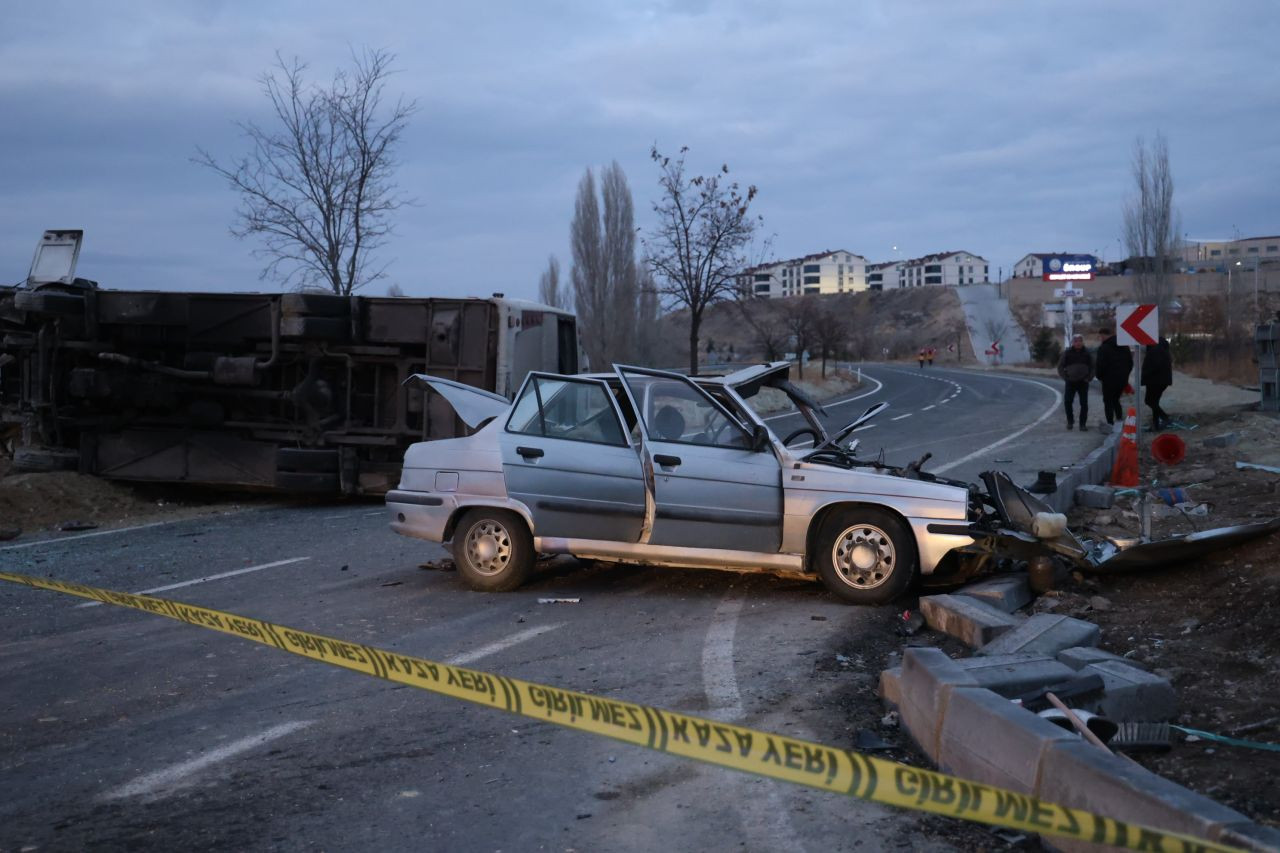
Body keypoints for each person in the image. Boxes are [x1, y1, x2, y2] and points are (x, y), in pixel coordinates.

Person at [1094, 327, 1133, 426]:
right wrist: (1125, 376)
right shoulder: (1124, 346)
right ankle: (1119, 420)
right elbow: (1130, 363)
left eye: (1100, 336)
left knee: (1108, 401)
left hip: (1108, 380)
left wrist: (1099, 376)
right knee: (1116, 399)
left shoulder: (1103, 348)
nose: (1100, 339)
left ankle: (1110, 423)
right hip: (1122, 379)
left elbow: (1100, 365)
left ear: (1103, 335)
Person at [1057, 333, 1094, 431]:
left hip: (1083, 382)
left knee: (1084, 404)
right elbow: (1060, 366)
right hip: (1070, 382)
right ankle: (1070, 420)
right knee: (1068, 402)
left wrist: (1089, 378)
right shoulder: (1067, 353)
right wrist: (1065, 377)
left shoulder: (1087, 353)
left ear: (1082, 342)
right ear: (1073, 342)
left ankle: (1082, 424)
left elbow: (1093, 366)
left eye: (1080, 341)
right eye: (1076, 341)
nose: (1078, 343)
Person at [1141, 337, 1173, 430]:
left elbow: (1154, 366)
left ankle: (1165, 417)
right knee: (1154, 402)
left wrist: (1145, 374)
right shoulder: (1162, 348)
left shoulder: (1156, 350)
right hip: (1161, 380)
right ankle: (1156, 425)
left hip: (1155, 380)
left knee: (1149, 401)